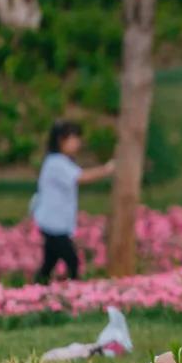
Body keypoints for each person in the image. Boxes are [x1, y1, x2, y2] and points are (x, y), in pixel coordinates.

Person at [32, 121, 114, 283]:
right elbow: (80, 177)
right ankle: (73, 290)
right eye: (73, 138)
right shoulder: (56, 163)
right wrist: (107, 169)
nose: (78, 143)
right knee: (72, 261)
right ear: (61, 140)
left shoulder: (59, 162)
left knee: (50, 262)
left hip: (54, 222)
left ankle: (38, 287)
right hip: (53, 223)